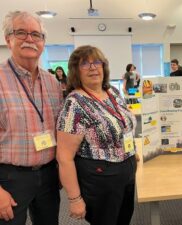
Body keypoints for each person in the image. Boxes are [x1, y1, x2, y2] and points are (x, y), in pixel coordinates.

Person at [56, 45, 137, 225]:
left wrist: (129, 150)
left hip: (127, 170)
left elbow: (123, 125)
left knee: (124, 219)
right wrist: (75, 199)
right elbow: (64, 158)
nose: (93, 67)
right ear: (76, 71)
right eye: (85, 64)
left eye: (97, 62)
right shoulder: (74, 104)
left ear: (104, 66)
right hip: (101, 178)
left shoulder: (113, 92)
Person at [0, 11, 62, 225]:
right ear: (8, 39)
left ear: (43, 42)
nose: (29, 39)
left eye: (36, 34)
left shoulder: (53, 83)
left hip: (49, 176)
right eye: (21, 32)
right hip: (9, 179)